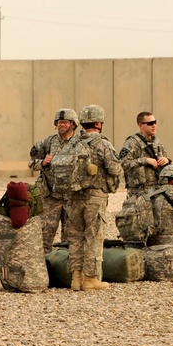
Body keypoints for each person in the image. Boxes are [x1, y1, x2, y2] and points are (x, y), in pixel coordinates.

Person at [59, 104, 121, 292]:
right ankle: (91, 279)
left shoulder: (72, 143)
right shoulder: (102, 143)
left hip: (73, 197)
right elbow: (115, 168)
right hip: (95, 196)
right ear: (99, 122)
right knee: (93, 236)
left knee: (75, 237)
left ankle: (76, 278)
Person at [28, 108, 80, 252]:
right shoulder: (47, 143)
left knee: (70, 238)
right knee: (44, 236)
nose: (62, 125)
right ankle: (44, 269)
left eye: (65, 122)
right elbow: (31, 163)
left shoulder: (80, 144)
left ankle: (65, 269)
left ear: (73, 125)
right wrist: (42, 163)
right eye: (59, 122)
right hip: (51, 197)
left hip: (72, 198)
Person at [118, 112, 170, 198]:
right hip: (139, 193)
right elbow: (123, 163)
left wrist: (166, 160)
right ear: (140, 125)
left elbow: (165, 158)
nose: (154, 125)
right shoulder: (132, 143)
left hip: (158, 189)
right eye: (150, 123)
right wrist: (145, 160)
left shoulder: (157, 142)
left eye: (155, 122)